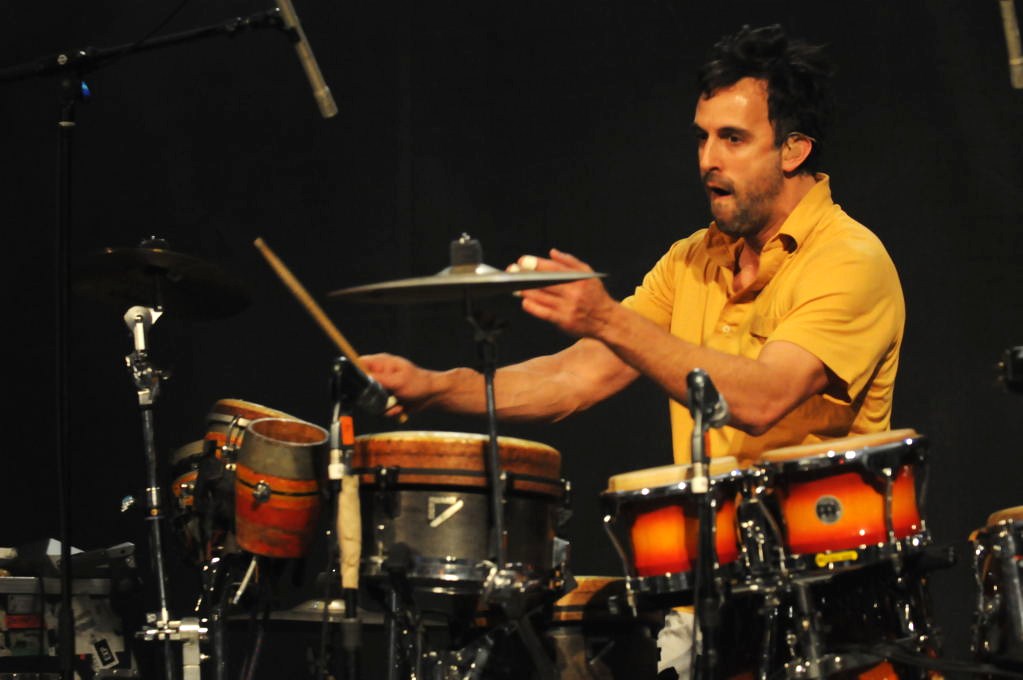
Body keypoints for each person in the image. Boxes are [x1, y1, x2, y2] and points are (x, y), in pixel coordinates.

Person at [363, 24, 905, 468]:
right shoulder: (691, 260)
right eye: (702, 137)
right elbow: (573, 378)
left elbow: (762, 399)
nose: (708, 160)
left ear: (793, 150)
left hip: (823, 558)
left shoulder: (847, 259)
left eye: (733, 139)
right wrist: (435, 386)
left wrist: (605, 317)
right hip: (709, 554)